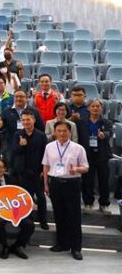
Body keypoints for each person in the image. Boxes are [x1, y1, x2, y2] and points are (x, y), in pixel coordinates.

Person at [42, 121, 89, 260]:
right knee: (59, 215)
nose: (62, 133)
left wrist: (77, 169)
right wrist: (46, 184)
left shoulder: (78, 148)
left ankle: (76, 248)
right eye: (59, 131)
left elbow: (86, 167)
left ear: (70, 132)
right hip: (55, 183)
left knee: (74, 216)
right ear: (54, 132)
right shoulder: (49, 146)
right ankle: (62, 244)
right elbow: (46, 166)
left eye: (65, 131)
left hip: (71, 183)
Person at [0, 158, 33, 259]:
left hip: (13, 208)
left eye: (1, 167)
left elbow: (19, 193)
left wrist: (29, 202)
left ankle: (16, 246)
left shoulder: (11, 179)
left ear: (5, 169)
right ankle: (5, 246)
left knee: (29, 224)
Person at [10, 111, 49, 230]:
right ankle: (28, 219)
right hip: (23, 171)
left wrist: (44, 170)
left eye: (28, 119)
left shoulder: (41, 135)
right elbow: (13, 151)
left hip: (37, 171)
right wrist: (21, 145)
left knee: (41, 197)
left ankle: (43, 220)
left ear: (34, 120)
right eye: (23, 120)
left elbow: (45, 153)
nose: (26, 122)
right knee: (26, 197)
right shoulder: (17, 134)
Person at [81, 99, 112, 213]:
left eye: (98, 106)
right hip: (87, 154)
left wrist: (104, 134)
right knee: (87, 180)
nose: (95, 108)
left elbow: (109, 132)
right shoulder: (82, 122)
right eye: (93, 106)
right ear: (88, 108)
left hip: (102, 154)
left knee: (103, 180)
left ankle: (104, 204)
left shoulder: (106, 122)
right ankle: (88, 203)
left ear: (101, 108)